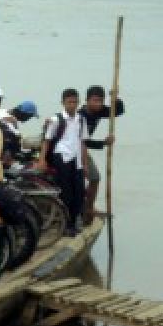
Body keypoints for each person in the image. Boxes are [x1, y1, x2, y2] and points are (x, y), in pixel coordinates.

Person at [37, 88, 88, 235]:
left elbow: (83, 142)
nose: (72, 105)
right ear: (63, 103)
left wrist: (84, 164)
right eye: (69, 102)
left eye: (75, 102)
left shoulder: (81, 119)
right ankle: (66, 225)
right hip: (61, 156)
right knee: (66, 192)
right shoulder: (56, 120)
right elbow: (47, 141)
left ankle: (74, 221)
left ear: (78, 102)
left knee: (79, 192)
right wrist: (42, 160)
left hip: (76, 158)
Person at [80, 86, 125, 224]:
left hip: (82, 147)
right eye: (95, 100)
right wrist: (103, 143)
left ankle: (88, 206)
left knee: (94, 178)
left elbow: (117, 111)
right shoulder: (81, 116)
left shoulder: (98, 111)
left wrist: (115, 98)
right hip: (76, 148)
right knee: (93, 177)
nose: (98, 104)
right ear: (87, 100)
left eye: (101, 101)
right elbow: (84, 141)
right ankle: (85, 208)